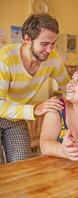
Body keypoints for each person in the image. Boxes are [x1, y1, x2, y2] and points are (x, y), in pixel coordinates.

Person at [0, 13, 70, 164]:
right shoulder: (5, 59)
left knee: (22, 165)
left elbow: (69, 89)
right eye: (44, 44)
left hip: (16, 118)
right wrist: (35, 109)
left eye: (53, 44)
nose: (49, 50)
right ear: (27, 40)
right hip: (5, 109)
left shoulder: (53, 59)